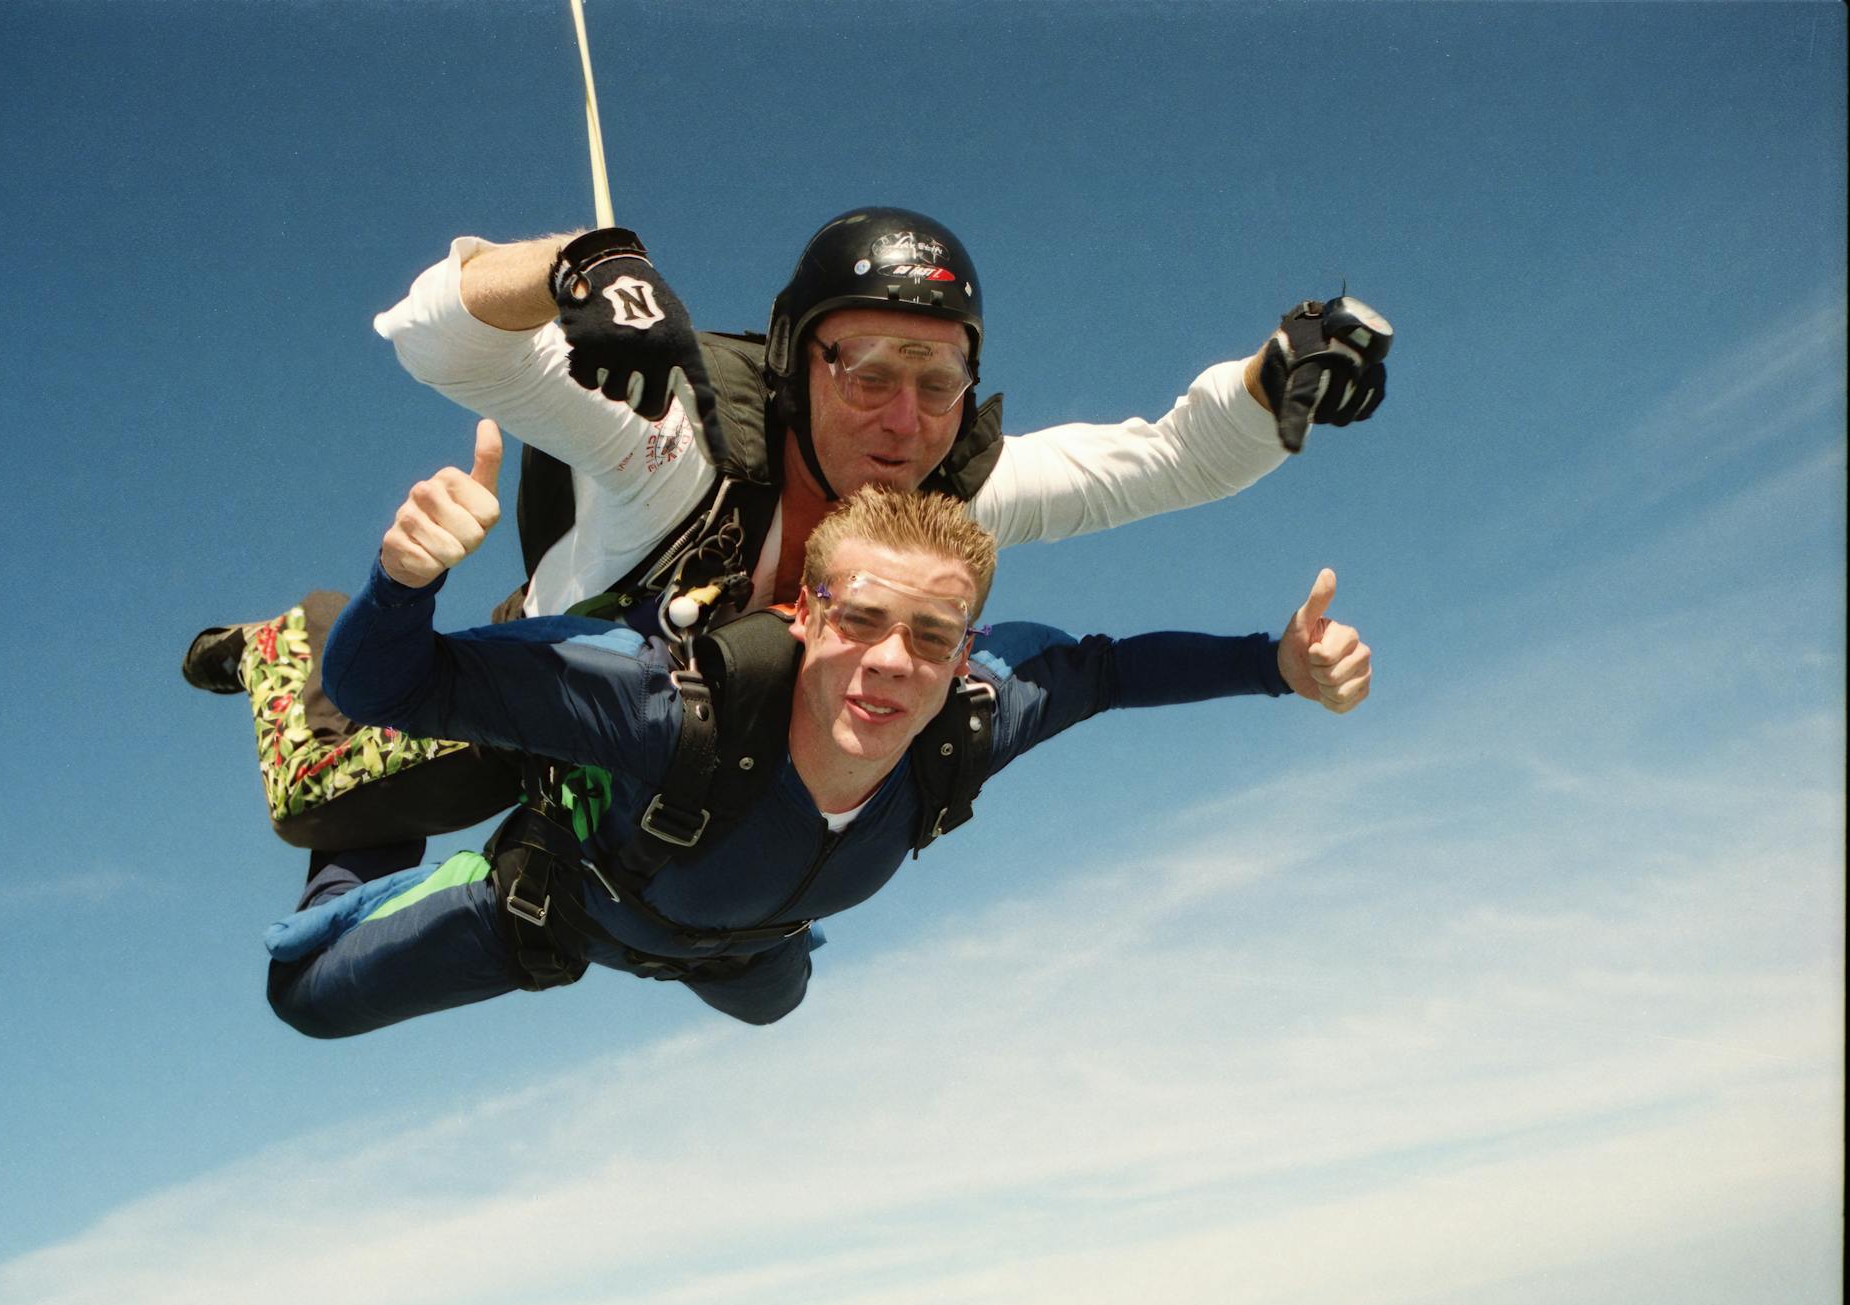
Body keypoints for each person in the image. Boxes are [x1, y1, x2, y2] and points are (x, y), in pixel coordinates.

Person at [185, 208, 1388, 850]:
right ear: (789, 358)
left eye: (938, 377)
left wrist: (1271, 377)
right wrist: (575, 266)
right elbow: (433, 337)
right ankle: (291, 637)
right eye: (863, 367)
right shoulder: (671, 439)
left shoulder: (949, 504)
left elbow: (1164, 461)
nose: (903, 417)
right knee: (325, 802)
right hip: (546, 695)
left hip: (699, 748)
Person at [265, 428, 1372, 1037]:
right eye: (860, 620)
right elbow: (386, 684)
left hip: (745, 940)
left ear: (965, 643)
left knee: (771, 1003)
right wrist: (401, 580)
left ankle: (742, 941)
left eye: (932, 637)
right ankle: (330, 758)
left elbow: (1114, 668)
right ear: (802, 616)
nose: (893, 663)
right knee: (306, 995)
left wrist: (1272, 666)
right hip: (564, 912)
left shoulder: (973, 715)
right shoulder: (664, 705)